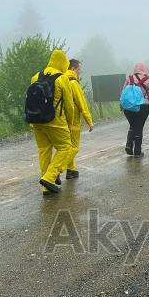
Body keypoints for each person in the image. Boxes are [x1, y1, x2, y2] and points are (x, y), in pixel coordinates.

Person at [30, 49, 75, 196]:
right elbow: (69, 105)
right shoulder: (62, 79)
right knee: (65, 147)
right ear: (63, 62)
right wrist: (70, 123)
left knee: (44, 150)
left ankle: (46, 187)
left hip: (36, 120)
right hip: (55, 121)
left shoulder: (36, 76)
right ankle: (49, 178)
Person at [121, 63, 149, 158]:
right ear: (146, 70)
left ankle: (129, 145)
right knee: (139, 127)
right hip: (142, 106)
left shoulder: (129, 78)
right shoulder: (147, 80)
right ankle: (137, 151)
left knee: (132, 125)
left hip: (128, 107)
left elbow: (123, 93)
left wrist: (121, 106)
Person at [64, 59, 94, 179]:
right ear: (73, 69)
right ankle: (56, 170)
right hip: (73, 121)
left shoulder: (62, 80)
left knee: (68, 146)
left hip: (62, 119)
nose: (80, 72)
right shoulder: (73, 82)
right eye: (78, 69)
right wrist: (89, 121)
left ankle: (70, 170)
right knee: (74, 147)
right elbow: (82, 104)